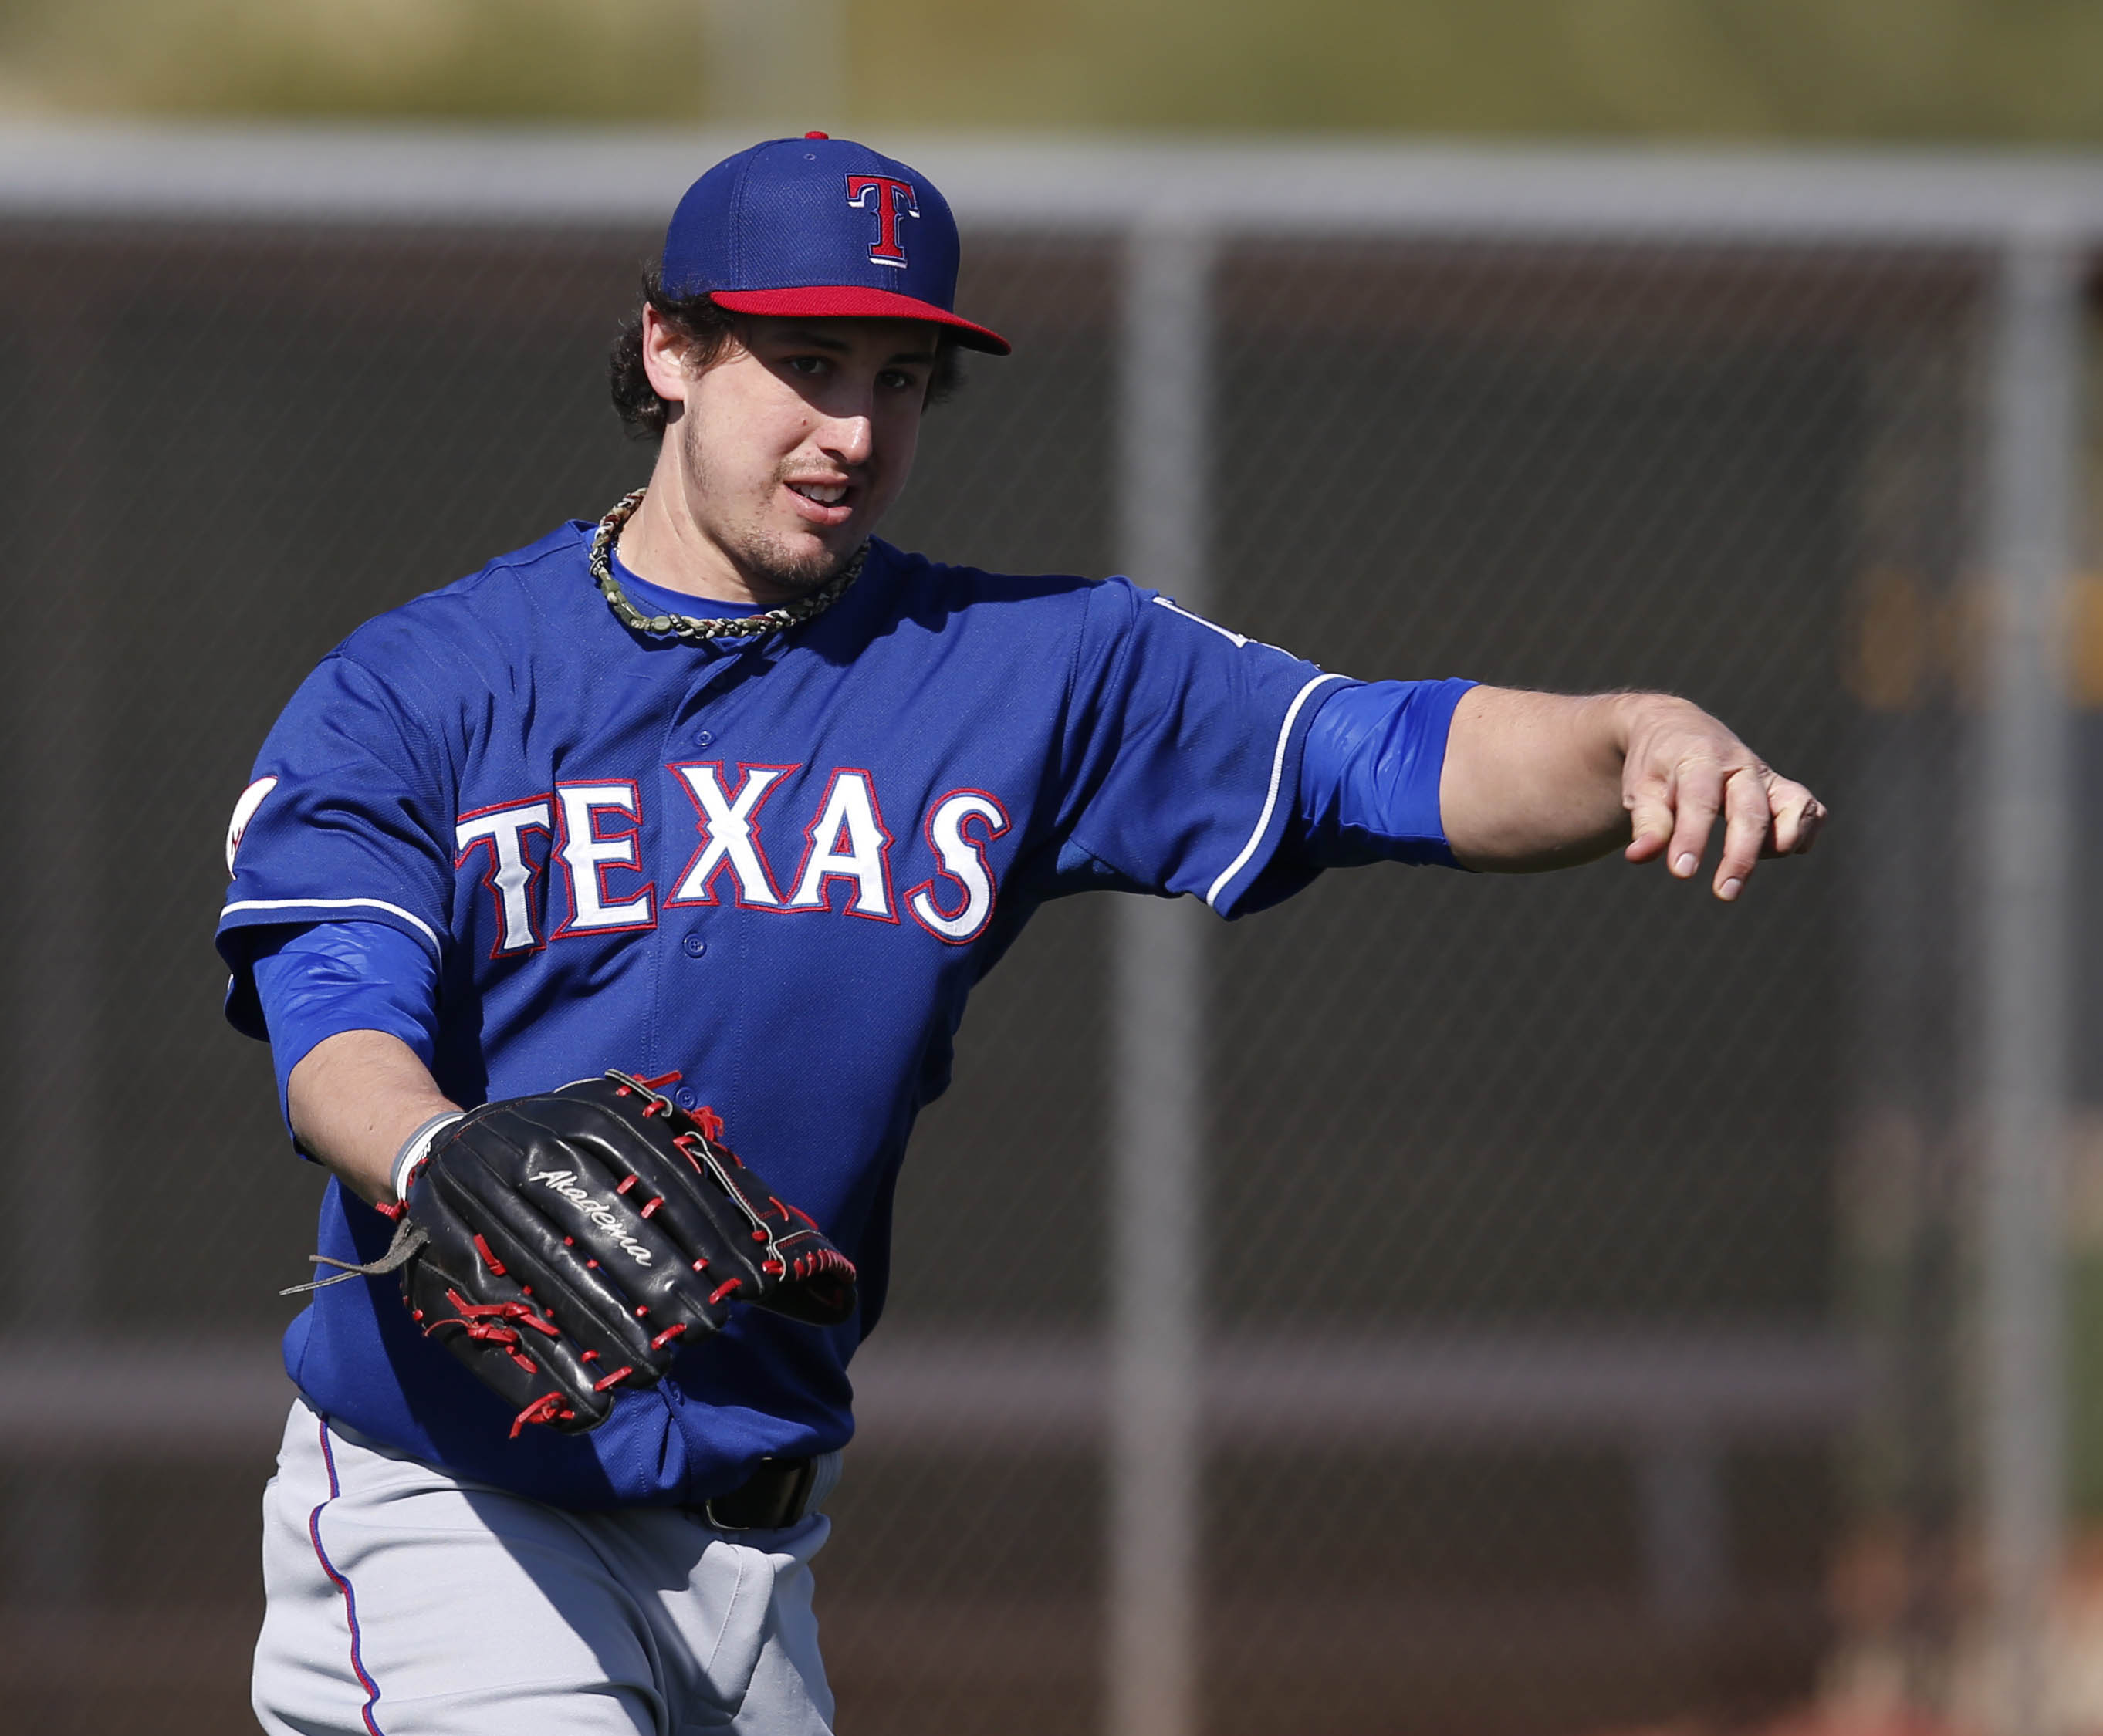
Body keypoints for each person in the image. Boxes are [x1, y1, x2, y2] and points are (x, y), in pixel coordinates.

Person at [221, 136, 1825, 1736]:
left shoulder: (1024, 669)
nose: (852, 428)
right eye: (806, 363)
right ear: (670, 349)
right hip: (457, 1518)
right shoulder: (422, 687)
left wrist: (1630, 736)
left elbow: (1373, 755)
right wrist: (436, 1155)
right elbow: (333, 1022)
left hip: (762, 1557)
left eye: (902, 377)